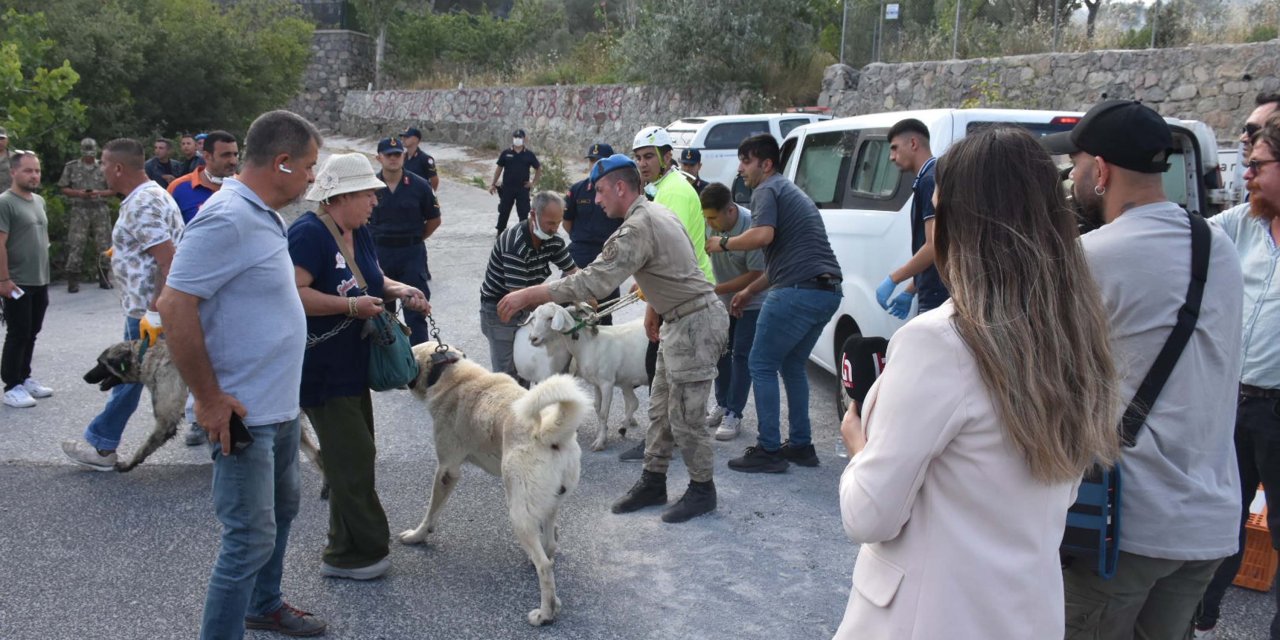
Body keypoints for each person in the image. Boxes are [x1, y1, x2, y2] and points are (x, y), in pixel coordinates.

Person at [834, 125, 1121, 640]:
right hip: (1025, 615)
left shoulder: (939, 344)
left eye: (939, 213)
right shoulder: (1078, 335)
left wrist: (858, 446)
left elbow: (869, 515)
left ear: (966, 227)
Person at [1044, 99, 1244, 640]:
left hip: (1125, 529)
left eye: (1077, 167)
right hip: (1208, 523)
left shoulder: (1092, 258)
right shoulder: (1218, 247)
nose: (1073, 178)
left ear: (1101, 171)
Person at [156, 110, 327, 639]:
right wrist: (208, 400)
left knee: (281, 512)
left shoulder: (262, 213)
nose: (312, 178)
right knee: (247, 538)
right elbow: (174, 304)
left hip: (276, 408)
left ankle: (265, 604)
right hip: (241, 413)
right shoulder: (227, 216)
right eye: (308, 167)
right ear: (281, 163)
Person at [496, 155, 728, 524]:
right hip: (678, 320)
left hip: (695, 325)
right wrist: (654, 306)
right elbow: (673, 268)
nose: (597, 200)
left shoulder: (637, 226)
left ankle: (703, 490)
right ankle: (653, 481)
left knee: (685, 416)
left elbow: (594, 282)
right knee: (660, 410)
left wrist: (531, 294)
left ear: (621, 188)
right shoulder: (655, 212)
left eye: (601, 191)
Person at [289, 152, 429, 582]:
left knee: (352, 454)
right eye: (367, 193)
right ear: (340, 196)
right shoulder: (308, 233)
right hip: (320, 367)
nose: (374, 200)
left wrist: (402, 290)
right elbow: (293, 293)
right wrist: (350, 306)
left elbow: (375, 278)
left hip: (354, 362)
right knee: (353, 455)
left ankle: (344, 549)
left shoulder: (359, 230)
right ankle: (360, 552)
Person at [706, 133, 842, 474]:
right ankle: (801, 444)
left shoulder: (767, 188)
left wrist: (722, 242)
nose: (740, 169)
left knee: (760, 363)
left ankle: (768, 449)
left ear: (766, 164)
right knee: (792, 365)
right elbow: (778, 264)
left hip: (797, 290)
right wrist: (750, 291)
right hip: (825, 291)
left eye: (746, 161)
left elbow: (762, 236)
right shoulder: (789, 190)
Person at [1195, 112, 1280, 640]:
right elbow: (1187, 241)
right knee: (1219, 520)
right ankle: (1198, 617)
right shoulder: (1239, 225)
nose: (1243, 175)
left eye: (1256, 166)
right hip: (1235, 402)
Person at [60, 138, 184, 470]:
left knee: (126, 375)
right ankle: (234, 431)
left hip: (147, 312)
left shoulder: (143, 203)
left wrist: (155, 312)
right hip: (148, 308)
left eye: (102, 163)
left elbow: (168, 261)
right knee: (171, 373)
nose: (100, 169)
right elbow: (155, 250)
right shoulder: (149, 195)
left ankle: (102, 446)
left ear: (117, 168)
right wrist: (123, 255)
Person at [619, 125, 715, 462]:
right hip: (681, 296)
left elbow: (669, 258)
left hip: (686, 302)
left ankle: (674, 453)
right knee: (662, 377)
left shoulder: (672, 192)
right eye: (639, 158)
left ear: (667, 156)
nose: (643, 164)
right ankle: (656, 445)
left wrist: (651, 309)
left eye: (649, 157)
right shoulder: (666, 187)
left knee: (674, 383)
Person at [480, 190, 576, 379]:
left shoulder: (553, 240)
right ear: (533, 215)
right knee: (507, 375)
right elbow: (520, 297)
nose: (555, 229)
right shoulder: (515, 244)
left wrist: (588, 293)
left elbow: (574, 273)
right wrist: (559, 310)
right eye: (550, 223)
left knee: (526, 367)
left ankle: (525, 407)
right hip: (500, 310)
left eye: (558, 223)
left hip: (528, 306)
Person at [700, 182, 764, 441]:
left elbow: (757, 273)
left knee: (741, 354)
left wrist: (717, 289)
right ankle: (722, 403)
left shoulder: (751, 227)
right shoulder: (709, 222)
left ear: (730, 211)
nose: (710, 224)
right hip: (725, 299)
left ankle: (734, 413)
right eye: (707, 218)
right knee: (721, 352)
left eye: (714, 218)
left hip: (753, 299)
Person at [370, 136, 441, 345]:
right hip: (379, 254)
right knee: (381, 315)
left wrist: (416, 239)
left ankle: (419, 368)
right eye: (388, 155)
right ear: (379, 158)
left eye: (397, 155)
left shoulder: (419, 185)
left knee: (416, 311)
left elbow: (434, 219)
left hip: (411, 255)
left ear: (403, 156)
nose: (393, 159)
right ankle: (388, 368)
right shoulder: (369, 187)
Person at [876, 118, 948, 319]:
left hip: (938, 295)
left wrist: (894, 279)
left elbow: (935, 246)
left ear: (913, 143)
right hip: (935, 290)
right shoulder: (933, 175)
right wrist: (911, 288)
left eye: (895, 148)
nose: (891, 157)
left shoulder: (929, 180)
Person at [0, 151, 53, 409]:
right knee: (18, 332)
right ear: (13, 172)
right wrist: (3, 279)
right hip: (17, 280)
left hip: (39, 278)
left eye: (37, 171)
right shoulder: (5, 203)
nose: (34, 175)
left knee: (32, 331)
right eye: (28, 171)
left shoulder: (39, 201)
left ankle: (24, 376)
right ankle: (11, 385)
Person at [563, 142, 622, 325]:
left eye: (600, 161)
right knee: (567, 307)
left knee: (603, 312)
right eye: (592, 161)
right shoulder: (577, 189)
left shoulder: (619, 192)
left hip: (606, 255)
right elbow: (567, 222)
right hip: (579, 254)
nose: (595, 165)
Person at [57, 137, 114, 293]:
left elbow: (113, 189)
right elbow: (63, 187)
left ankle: (104, 276)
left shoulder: (103, 167)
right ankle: (73, 279)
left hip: (99, 208)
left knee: (103, 244)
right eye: (86, 153)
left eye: (91, 153)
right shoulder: (72, 167)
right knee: (76, 243)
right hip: (79, 209)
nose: (89, 156)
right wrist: (78, 193)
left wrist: (99, 193)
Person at [168, 130, 239, 224]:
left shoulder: (246, 187)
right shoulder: (178, 187)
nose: (233, 161)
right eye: (226, 155)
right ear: (207, 156)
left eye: (235, 155)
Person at [488, 129, 541, 233]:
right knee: (504, 211)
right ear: (513, 138)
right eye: (515, 137)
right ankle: (500, 232)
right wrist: (493, 184)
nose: (517, 139)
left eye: (519, 137)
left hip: (522, 188)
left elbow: (538, 168)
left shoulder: (529, 154)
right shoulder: (506, 153)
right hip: (507, 188)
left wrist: (533, 183)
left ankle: (524, 233)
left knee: (523, 212)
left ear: (524, 139)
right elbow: (499, 169)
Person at [400, 127, 439, 191]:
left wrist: (429, 196)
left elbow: (434, 180)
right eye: (403, 137)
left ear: (416, 139)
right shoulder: (402, 157)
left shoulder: (425, 159)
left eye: (407, 137)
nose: (403, 139)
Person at [0, 127, 11, 192]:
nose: (0, 142)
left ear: (7, 140)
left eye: (2, 138)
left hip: (9, 198)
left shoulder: (15, 158)